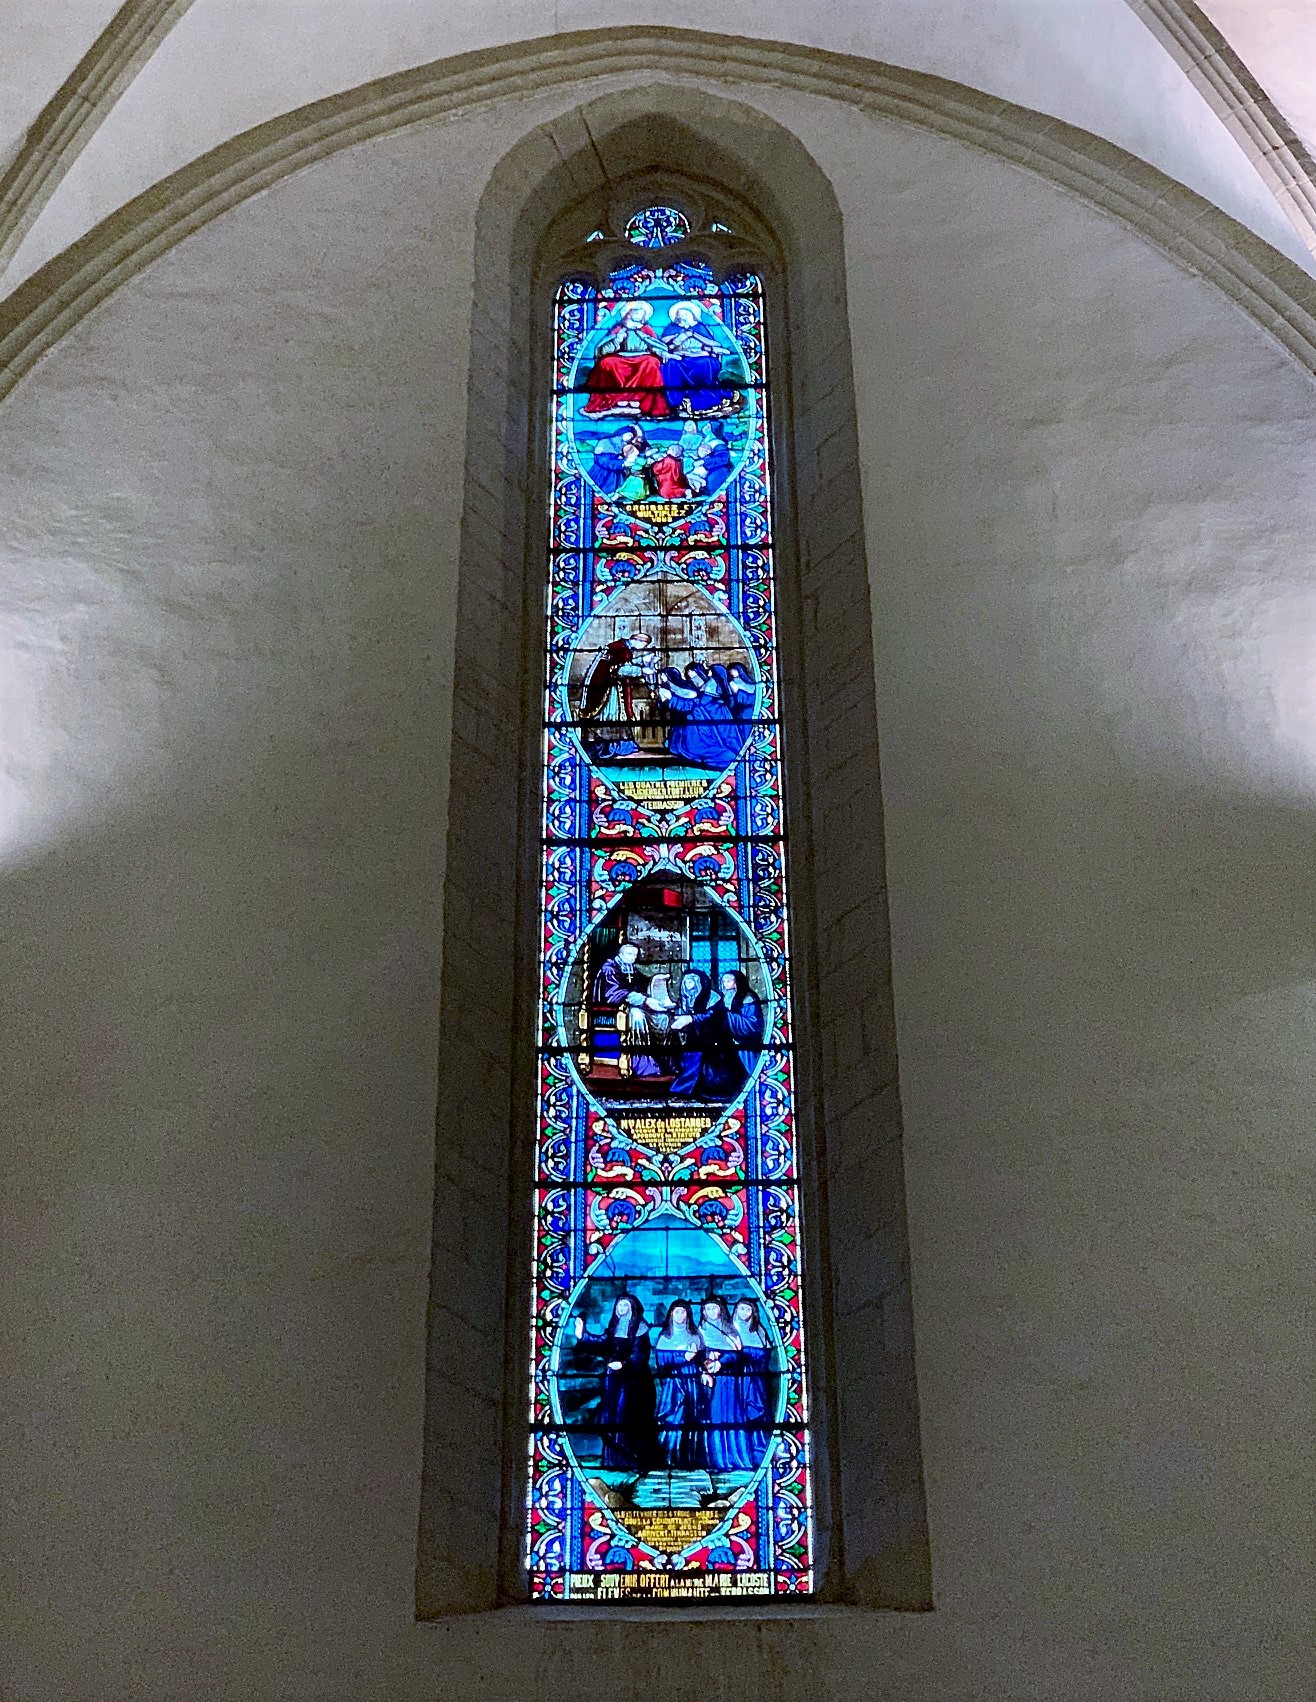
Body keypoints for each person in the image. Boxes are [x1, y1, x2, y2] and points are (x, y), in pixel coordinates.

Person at [573, 1296, 660, 1472]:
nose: (622, 1308)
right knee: (611, 1414)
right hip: (613, 1380)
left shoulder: (640, 1329)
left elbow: (640, 1355)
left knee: (626, 1414)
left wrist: (624, 1364)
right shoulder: (613, 1328)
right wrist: (583, 1334)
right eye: (619, 1305)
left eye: (626, 1305)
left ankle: (633, 1459)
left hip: (635, 1382)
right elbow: (601, 1343)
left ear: (632, 1308)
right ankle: (614, 1460)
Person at [670, 968, 764, 1101]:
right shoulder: (724, 998)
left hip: (741, 1043)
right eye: (723, 981)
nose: (725, 984)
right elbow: (713, 1015)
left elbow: (752, 1025)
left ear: (737, 982)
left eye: (729, 980)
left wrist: (728, 1017)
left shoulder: (747, 999)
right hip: (720, 1040)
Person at [583, 303, 673, 418]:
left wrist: (661, 352)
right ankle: (616, 400)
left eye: (642, 314)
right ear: (629, 313)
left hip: (643, 358)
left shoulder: (647, 330)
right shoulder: (618, 329)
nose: (640, 316)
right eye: (637, 313)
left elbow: (655, 345)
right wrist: (617, 340)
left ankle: (640, 400)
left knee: (652, 362)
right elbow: (602, 350)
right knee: (606, 363)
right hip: (620, 357)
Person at [591, 942, 660, 1077]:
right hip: (609, 1013)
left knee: (661, 1018)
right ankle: (639, 1063)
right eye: (629, 954)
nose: (633, 957)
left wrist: (655, 982)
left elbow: (641, 985)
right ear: (620, 954)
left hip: (628, 1008)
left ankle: (663, 1061)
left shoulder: (630, 968)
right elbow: (613, 995)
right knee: (637, 1016)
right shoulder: (609, 969)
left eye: (635, 955)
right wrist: (643, 1000)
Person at [660, 302, 740, 418]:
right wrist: (680, 336)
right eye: (680, 315)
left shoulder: (700, 327)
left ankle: (704, 399)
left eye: (685, 314)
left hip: (700, 357)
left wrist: (694, 335)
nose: (682, 317)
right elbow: (663, 343)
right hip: (680, 359)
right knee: (670, 365)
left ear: (692, 315)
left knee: (707, 363)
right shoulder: (672, 328)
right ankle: (677, 402)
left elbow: (714, 343)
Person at [694, 1298, 747, 1471]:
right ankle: (717, 1459)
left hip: (730, 1380)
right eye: (707, 1309)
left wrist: (722, 1361)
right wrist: (706, 1365)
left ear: (721, 1310)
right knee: (715, 1416)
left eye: (714, 1308)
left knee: (733, 1416)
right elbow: (696, 1357)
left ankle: (736, 1456)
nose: (711, 1312)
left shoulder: (731, 1331)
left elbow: (738, 1355)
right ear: (703, 1312)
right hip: (711, 1383)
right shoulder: (700, 1332)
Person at [652, 1300, 704, 1468]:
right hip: (673, 1385)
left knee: (691, 1417)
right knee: (674, 1417)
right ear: (671, 1315)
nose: (680, 1316)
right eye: (677, 1312)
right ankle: (669, 1456)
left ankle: (688, 1457)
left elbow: (701, 1361)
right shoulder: (665, 1337)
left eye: (683, 1312)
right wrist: (684, 1357)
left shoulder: (695, 1336)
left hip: (692, 1382)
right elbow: (662, 1362)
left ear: (688, 1315)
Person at [730, 1299, 773, 1471]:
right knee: (738, 1414)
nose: (744, 1313)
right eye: (741, 1309)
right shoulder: (729, 1330)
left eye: (748, 1310)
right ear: (736, 1310)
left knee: (758, 1413)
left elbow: (765, 1356)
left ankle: (759, 1449)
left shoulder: (759, 1331)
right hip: (736, 1382)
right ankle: (741, 1451)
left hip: (756, 1380)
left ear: (753, 1313)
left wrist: (749, 1356)